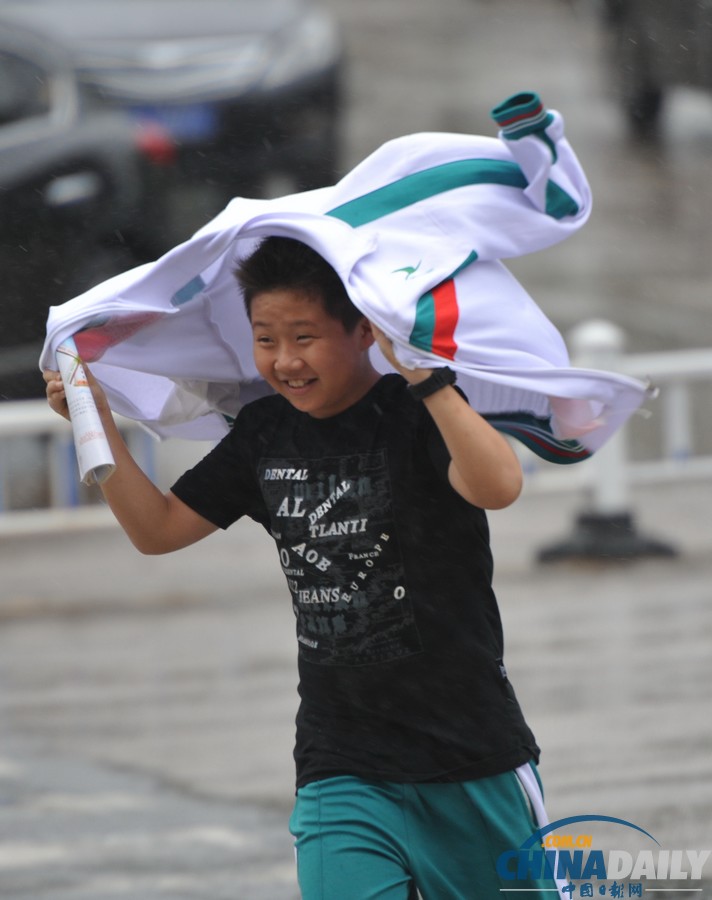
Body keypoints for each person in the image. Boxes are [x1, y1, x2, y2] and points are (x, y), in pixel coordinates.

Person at [44, 235, 560, 899]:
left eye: (305, 336)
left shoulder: (414, 415)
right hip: (340, 762)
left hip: (471, 757)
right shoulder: (265, 434)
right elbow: (157, 530)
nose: (285, 360)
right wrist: (97, 424)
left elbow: (499, 486)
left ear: (363, 329)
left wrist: (427, 378)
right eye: (266, 338)